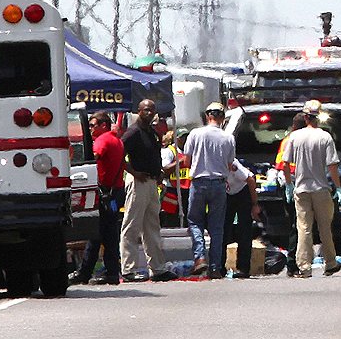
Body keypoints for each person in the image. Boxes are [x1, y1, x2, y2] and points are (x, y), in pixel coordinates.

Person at [283, 100, 341, 278]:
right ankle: (330, 263)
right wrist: (338, 188)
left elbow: (285, 163)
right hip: (321, 189)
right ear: (319, 118)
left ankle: (304, 266)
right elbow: (332, 166)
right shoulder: (325, 137)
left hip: (301, 189)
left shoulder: (295, 137)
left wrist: (289, 184)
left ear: (305, 117)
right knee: (325, 227)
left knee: (304, 228)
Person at [119, 99, 176, 282]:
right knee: (132, 226)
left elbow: (154, 155)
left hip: (152, 182)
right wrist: (133, 172)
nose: (149, 113)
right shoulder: (133, 132)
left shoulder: (151, 132)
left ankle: (158, 269)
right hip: (138, 182)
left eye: (152, 110)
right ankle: (128, 270)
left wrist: (159, 173)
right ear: (139, 111)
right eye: (146, 110)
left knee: (152, 225)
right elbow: (118, 154)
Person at [181, 102, 236, 279]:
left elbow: (187, 161)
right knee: (217, 227)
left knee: (195, 221)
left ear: (207, 116)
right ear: (222, 118)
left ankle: (200, 257)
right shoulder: (228, 138)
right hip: (219, 183)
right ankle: (215, 267)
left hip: (198, 182)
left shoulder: (195, 134)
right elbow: (229, 164)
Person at [70, 111, 125, 286]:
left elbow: (93, 157)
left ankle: (86, 272)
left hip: (104, 193)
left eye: (93, 125)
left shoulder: (103, 140)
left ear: (103, 125)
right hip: (114, 192)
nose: (91, 129)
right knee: (108, 234)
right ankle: (111, 273)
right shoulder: (117, 140)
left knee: (96, 233)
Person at [277, 112, 307, 276]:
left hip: (289, 184)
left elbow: (280, 165)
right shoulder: (303, 140)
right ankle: (293, 263)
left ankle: (295, 262)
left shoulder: (286, 140)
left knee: (295, 225)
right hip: (300, 184)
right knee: (299, 225)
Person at [224, 158, 260, 279]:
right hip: (228, 193)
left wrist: (254, 204)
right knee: (224, 228)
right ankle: (218, 267)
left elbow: (250, 180)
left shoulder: (231, 163)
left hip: (243, 190)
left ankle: (243, 268)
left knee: (244, 229)